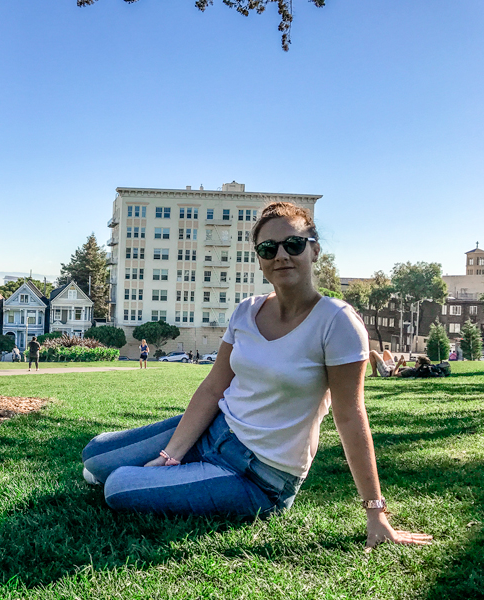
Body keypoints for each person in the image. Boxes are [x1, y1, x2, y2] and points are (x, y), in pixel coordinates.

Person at [81, 202, 431, 550]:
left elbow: (351, 416)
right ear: (260, 258)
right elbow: (213, 386)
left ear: (314, 250)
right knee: (94, 455)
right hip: (214, 432)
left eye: (293, 244)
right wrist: (171, 455)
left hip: (259, 477)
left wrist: (375, 510)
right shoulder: (247, 311)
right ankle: (176, 468)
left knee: (117, 487)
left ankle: (159, 477)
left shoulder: (337, 322)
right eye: (268, 248)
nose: (281, 255)